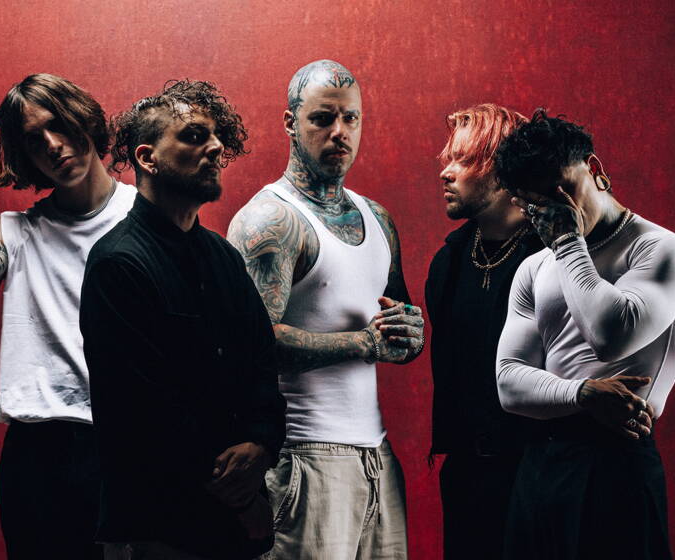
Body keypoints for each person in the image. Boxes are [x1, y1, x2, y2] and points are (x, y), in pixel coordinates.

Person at [0, 74, 136, 559]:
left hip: (128, 442)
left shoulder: (146, 216)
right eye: (34, 140)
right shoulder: (16, 232)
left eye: (58, 125)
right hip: (39, 456)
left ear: (85, 119)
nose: (53, 146)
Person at [79, 80, 286, 560]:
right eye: (194, 136)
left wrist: (261, 447)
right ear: (147, 158)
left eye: (216, 137)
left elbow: (262, 362)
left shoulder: (223, 257)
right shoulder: (117, 263)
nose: (215, 148)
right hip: (159, 526)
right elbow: (142, 411)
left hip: (234, 526)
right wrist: (239, 500)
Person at [227, 59, 423, 559]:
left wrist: (409, 334)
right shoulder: (270, 220)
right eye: (322, 118)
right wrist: (364, 344)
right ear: (291, 123)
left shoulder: (377, 218)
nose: (340, 132)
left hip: (376, 454)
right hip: (305, 455)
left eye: (350, 118)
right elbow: (249, 346)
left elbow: (394, 329)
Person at [494, 109, 675, 560]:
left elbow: (610, 335)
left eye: (563, 191)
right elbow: (509, 382)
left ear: (594, 169)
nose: (557, 214)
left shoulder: (664, 250)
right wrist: (582, 393)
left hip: (616, 461)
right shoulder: (534, 268)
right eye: (538, 205)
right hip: (541, 462)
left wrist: (568, 242)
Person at [425, 104, 543, 559]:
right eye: (448, 160)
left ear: (504, 170)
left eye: (463, 160)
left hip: (537, 470)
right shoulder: (449, 261)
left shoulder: (554, 256)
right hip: (467, 476)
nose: (446, 173)